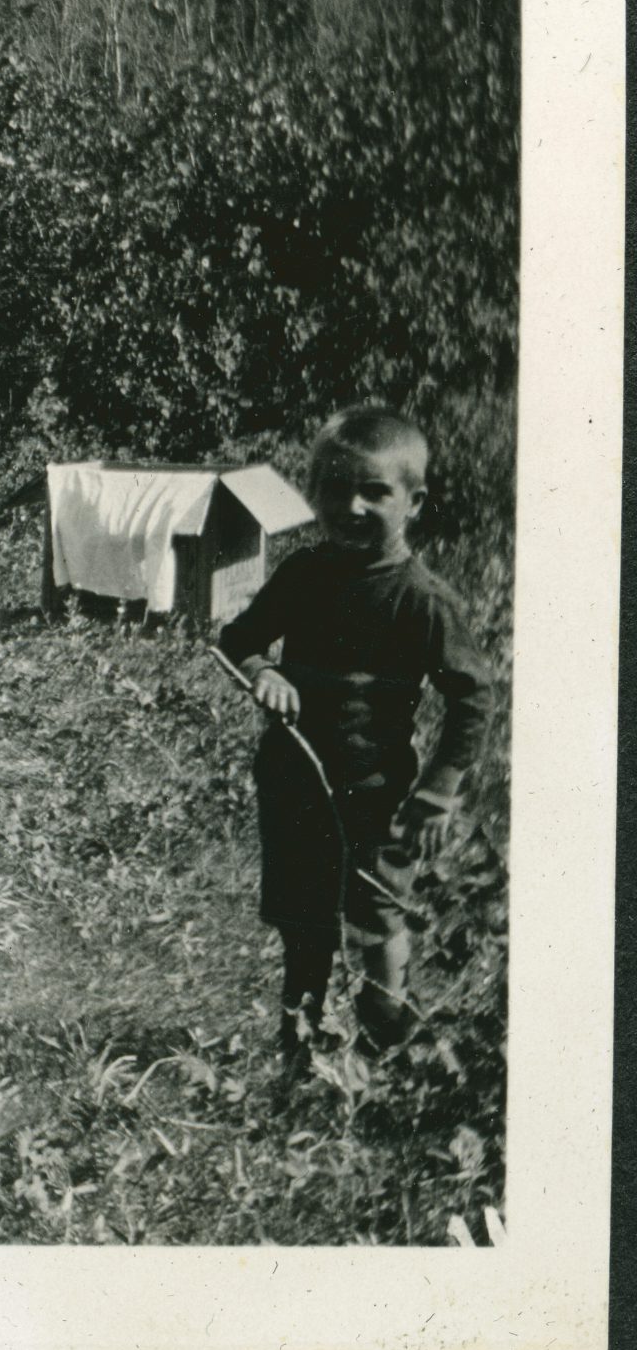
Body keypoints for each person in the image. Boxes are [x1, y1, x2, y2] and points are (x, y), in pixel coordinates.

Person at [218, 405, 495, 1070]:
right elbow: (238, 640)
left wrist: (437, 791)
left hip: (378, 792)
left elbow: (472, 696)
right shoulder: (302, 576)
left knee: (375, 914)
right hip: (292, 779)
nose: (351, 505)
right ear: (310, 491)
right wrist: (263, 671)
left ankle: (384, 1040)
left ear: (414, 500)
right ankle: (301, 1044)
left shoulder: (422, 598)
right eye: (334, 487)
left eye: (375, 490)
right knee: (303, 917)